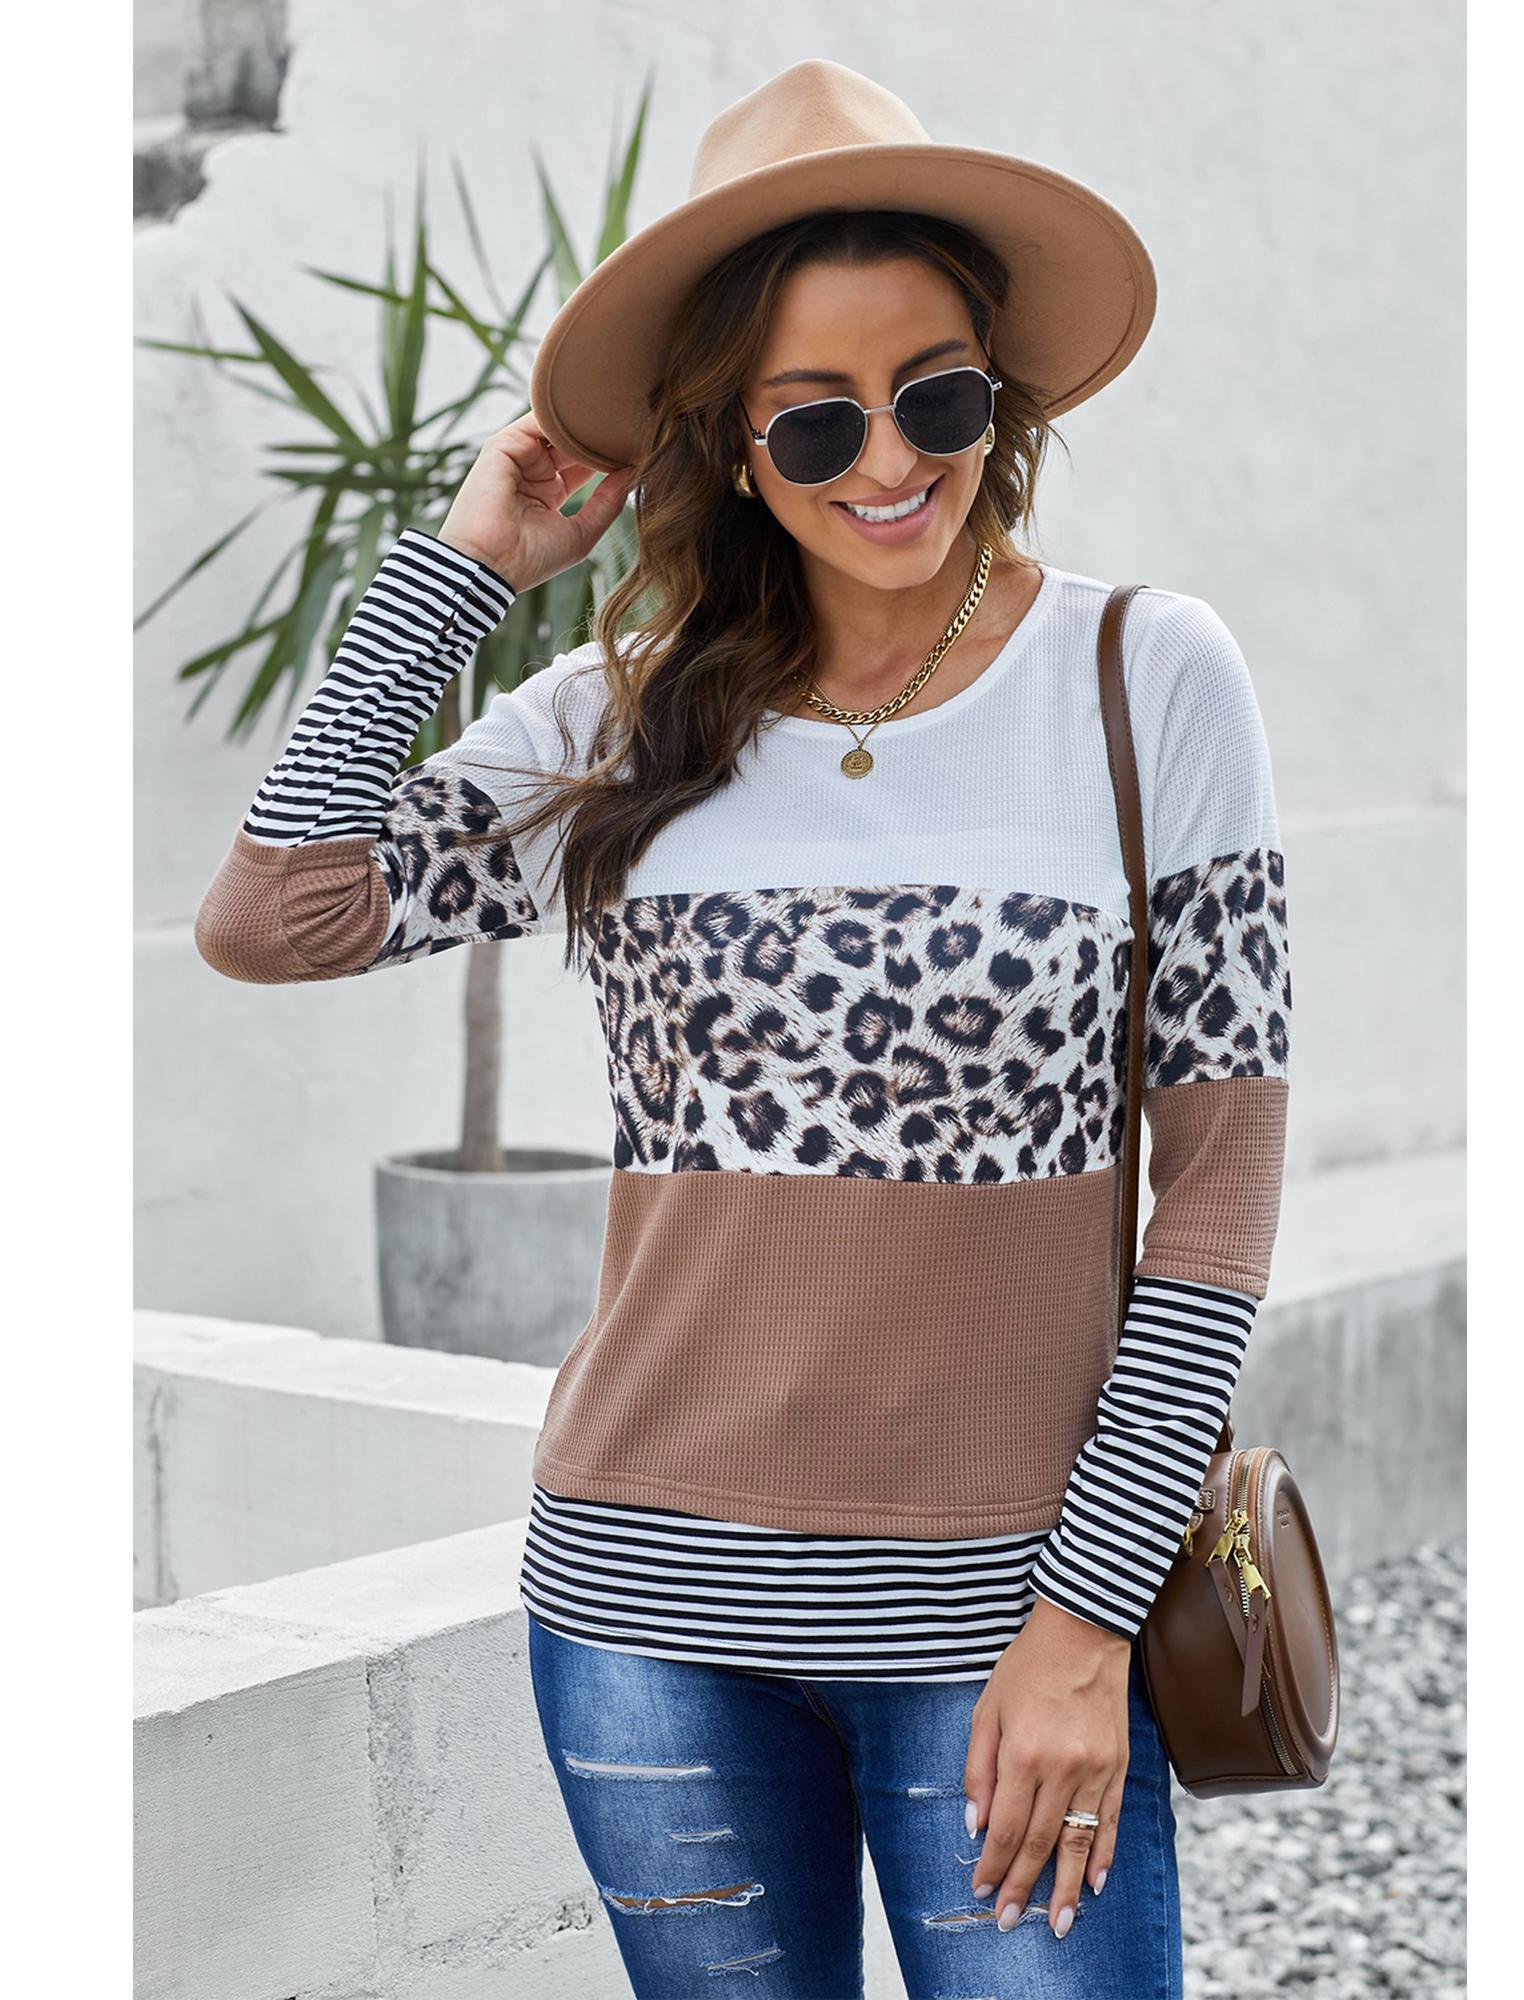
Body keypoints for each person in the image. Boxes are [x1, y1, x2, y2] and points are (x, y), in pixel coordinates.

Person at [194, 59, 1289, 2000]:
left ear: (1001, 400)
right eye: (815, 418)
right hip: (645, 1604)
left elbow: (1212, 1195)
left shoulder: (1141, 677)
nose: (890, 460)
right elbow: (275, 915)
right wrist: (466, 572)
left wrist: (1080, 1622)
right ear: (729, 441)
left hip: (1002, 1611)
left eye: (937, 397)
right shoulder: (626, 720)